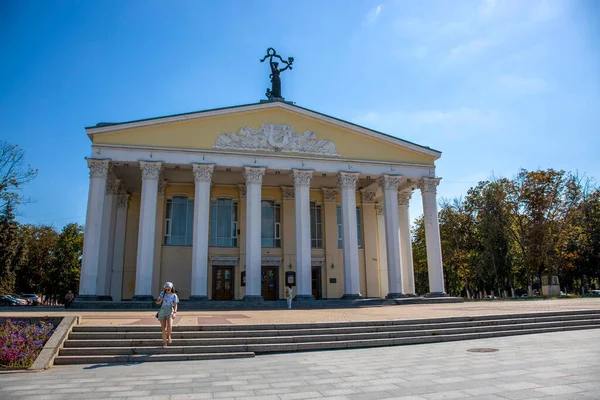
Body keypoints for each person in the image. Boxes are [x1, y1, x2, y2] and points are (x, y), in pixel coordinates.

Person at [156, 282, 179, 348]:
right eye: (166, 289)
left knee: (170, 325)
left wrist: (174, 312)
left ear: (171, 288)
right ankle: (164, 342)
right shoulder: (162, 294)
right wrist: (160, 300)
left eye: (168, 289)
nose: (167, 290)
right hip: (162, 311)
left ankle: (169, 336)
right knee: (163, 328)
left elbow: (175, 304)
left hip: (170, 310)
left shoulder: (174, 295)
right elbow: (157, 302)